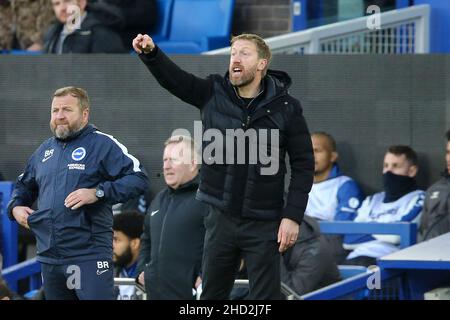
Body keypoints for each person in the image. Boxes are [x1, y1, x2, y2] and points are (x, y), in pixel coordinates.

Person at [133, 33, 314, 299]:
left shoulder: (287, 107)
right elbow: (176, 81)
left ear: (262, 63)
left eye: (244, 53)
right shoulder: (213, 91)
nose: (235, 59)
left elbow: (303, 165)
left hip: (264, 221)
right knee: (211, 298)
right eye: (233, 54)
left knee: (265, 299)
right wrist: (151, 54)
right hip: (220, 217)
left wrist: (292, 216)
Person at [7, 86, 149, 300]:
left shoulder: (102, 144)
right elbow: (23, 186)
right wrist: (15, 207)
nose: (59, 116)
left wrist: (98, 192)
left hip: (89, 256)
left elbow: (139, 178)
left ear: (84, 114)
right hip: (50, 257)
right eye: (55, 110)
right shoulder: (44, 151)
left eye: (66, 110)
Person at [137, 135, 207, 300]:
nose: (166, 166)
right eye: (165, 160)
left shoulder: (208, 198)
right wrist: (142, 271)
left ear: (192, 164)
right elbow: (146, 239)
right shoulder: (159, 200)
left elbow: (223, 242)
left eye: (174, 160)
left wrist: (205, 277)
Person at [343, 145, 425, 267]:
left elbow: (397, 236)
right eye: (386, 166)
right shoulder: (372, 200)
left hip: (387, 263)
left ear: (412, 171)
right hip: (353, 259)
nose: (388, 171)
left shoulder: (420, 198)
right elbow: (349, 240)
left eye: (395, 166)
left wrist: (368, 228)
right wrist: (385, 231)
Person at [305, 131, 364, 263]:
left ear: (332, 156)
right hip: (300, 243)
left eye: (316, 150)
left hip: (330, 247)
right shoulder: (298, 185)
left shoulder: (345, 185)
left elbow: (340, 230)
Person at [43, 0, 126, 53]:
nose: (62, 8)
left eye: (67, 1)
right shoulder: (52, 34)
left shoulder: (101, 33)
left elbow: (112, 74)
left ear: (82, 3)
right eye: (57, 4)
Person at [419, 130, 450, 241]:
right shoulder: (434, 190)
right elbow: (422, 231)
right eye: (448, 152)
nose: (448, 159)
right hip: (429, 255)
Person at [113, 211, 144, 300]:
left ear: (135, 243)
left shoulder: (151, 277)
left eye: (116, 239)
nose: (110, 246)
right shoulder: (107, 273)